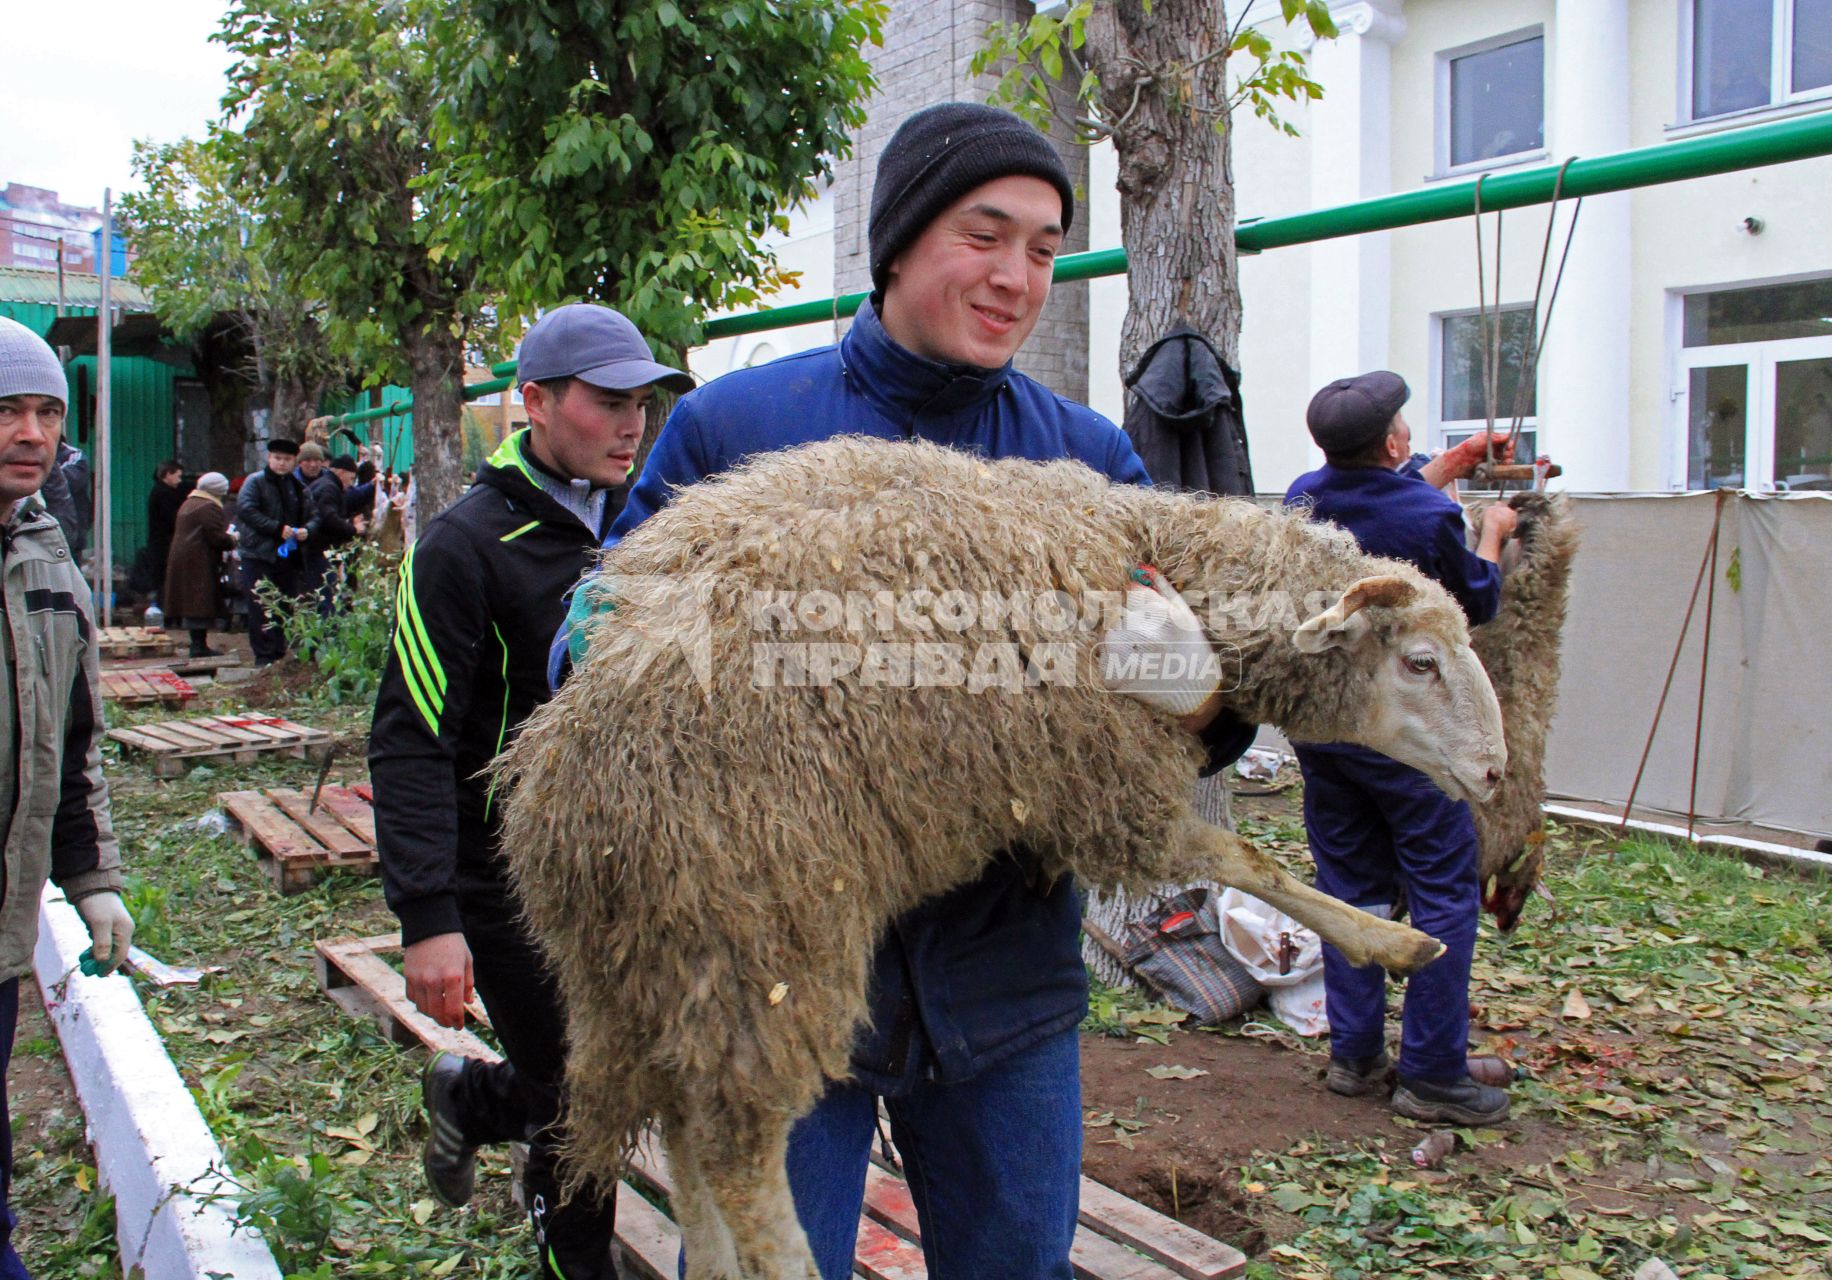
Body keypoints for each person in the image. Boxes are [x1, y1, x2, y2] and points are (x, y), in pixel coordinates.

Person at [557, 103, 1257, 1279]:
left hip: (1008, 991)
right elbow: (589, 674)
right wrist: (638, 641)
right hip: (773, 987)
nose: (1018, 277)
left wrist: (1200, 696)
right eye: (985, 235)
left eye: (1043, 247)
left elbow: (1206, 738)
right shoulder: (740, 426)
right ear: (898, 243)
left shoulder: (1085, 462)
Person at [370, 304, 694, 1280]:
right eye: (607, 402)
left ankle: (471, 1099)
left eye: (642, 402)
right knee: (585, 1097)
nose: (632, 422)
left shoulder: (651, 524)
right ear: (537, 401)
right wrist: (429, 915)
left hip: (624, 869)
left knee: (618, 1071)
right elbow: (411, 736)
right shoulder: (464, 547)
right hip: (506, 886)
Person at [1284, 371, 1517, 1126]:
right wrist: (1492, 533)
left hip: (1328, 732)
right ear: (1391, 441)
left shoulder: (1301, 498)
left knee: (1350, 886)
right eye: (1406, 431)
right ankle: (1433, 1074)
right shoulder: (1427, 515)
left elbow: (1373, 496)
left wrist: (1447, 467)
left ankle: (1354, 1057)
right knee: (1443, 893)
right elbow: (1475, 600)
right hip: (1411, 737)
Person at [0, 317, 133, 1277]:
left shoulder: (47, 556)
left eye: (47, 413)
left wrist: (92, 879)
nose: (32, 434)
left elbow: (73, 743)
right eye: (7, 411)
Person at [234, 439, 313, 666]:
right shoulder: (256, 482)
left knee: (284, 603)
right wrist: (276, 528)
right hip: (258, 553)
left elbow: (311, 512)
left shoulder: (296, 486)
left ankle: (279, 650)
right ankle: (263, 655)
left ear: (293, 461)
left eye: (287, 459)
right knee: (261, 604)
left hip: (286, 556)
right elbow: (246, 509)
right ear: (269, 459)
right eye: (277, 458)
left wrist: (307, 530)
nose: (281, 463)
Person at [164, 473, 237, 657]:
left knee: (192, 600)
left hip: (186, 558)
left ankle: (197, 644)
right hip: (199, 559)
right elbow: (217, 536)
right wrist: (233, 539)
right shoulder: (208, 506)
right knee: (198, 601)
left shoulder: (190, 502)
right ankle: (198, 646)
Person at [305, 453, 365, 614]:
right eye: (351, 478)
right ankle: (328, 634)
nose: (351, 484)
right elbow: (329, 518)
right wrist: (353, 530)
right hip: (319, 550)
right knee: (326, 597)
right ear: (341, 473)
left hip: (316, 549)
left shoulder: (325, 485)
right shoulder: (329, 488)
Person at [137, 460, 189, 611]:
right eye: (178, 476)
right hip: (164, 544)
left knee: (162, 580)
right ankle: (167, 612)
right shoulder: (164, 494)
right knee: (165, 579)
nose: (180, 480)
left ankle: (165, 611)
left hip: (160, 543)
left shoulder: (160, 491)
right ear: (167, 475)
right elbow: (171, 518)